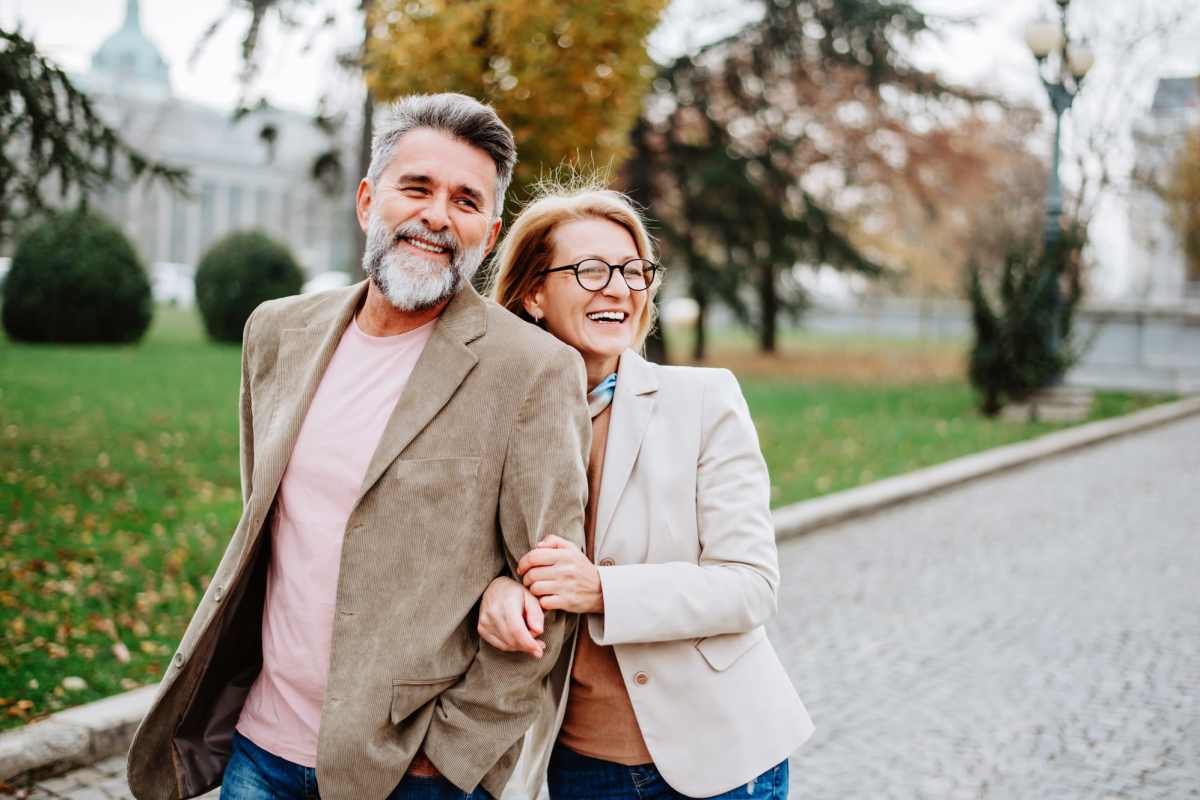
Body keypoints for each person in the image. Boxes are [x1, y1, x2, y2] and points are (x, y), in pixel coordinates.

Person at [125, 94, 591, 800]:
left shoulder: (530, 370)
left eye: (466, 201)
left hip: (408, 771)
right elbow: (267, 529)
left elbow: (548, 593)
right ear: (369, 199)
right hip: (259, 749)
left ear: (488, 234)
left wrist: (451, 756)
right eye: (417, 187)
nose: (438, 214)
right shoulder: (278, 332)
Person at [482, 185, 814, 800]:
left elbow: (750, 584)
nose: (619, 287)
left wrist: (601, 590)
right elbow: (468, 555)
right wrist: (497, 588)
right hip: (575, 764)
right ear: (533, 294)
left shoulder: (705, 400)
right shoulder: (491, 420)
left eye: (634, 270)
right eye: (590, 270)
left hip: (720, 759)